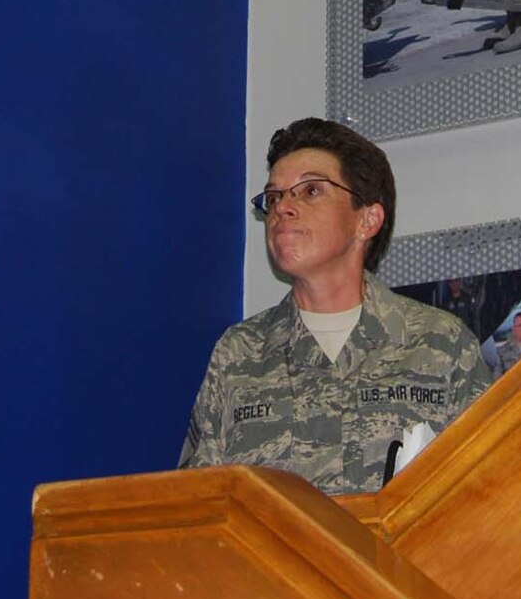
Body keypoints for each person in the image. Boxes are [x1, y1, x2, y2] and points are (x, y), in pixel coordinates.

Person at [179, 118, 492, 495]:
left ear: (367, 220)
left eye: (310, 191)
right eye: (274, 197)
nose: (282, 208)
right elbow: (199, 505)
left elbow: (490, 495)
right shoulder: (239, 353)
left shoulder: (442, 345)